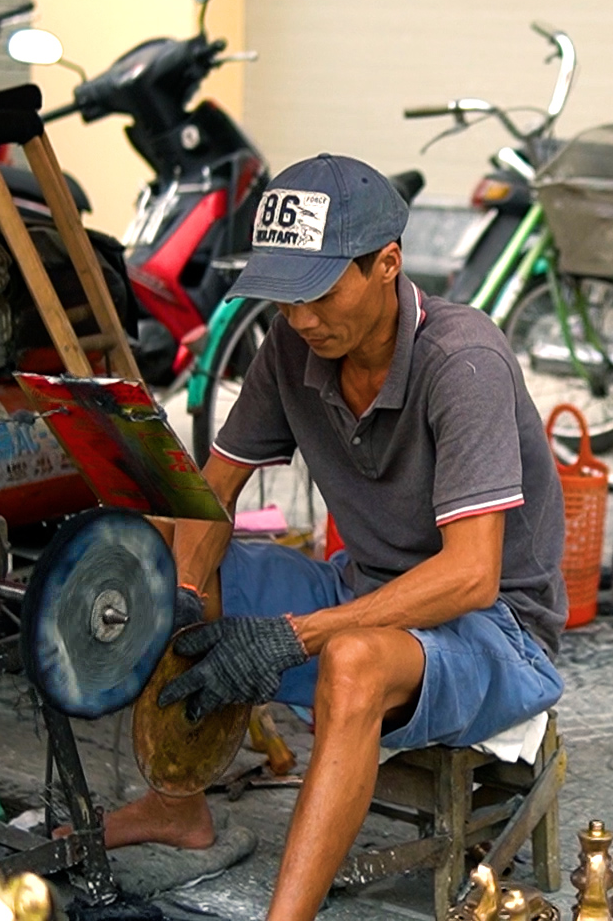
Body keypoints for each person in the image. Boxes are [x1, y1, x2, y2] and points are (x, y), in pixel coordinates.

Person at [100, 154, 567, 921]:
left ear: (388, 264)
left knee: (348, 659)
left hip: (496, 631)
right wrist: (182, 600)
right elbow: (212, 494)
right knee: (163, 552)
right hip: (366, 588)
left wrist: (295, 635)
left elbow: (472, 578)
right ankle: (177, 803)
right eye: (284, 299)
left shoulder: (464, 361)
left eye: (318, 294)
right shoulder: (293, 346)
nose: (302, 319)